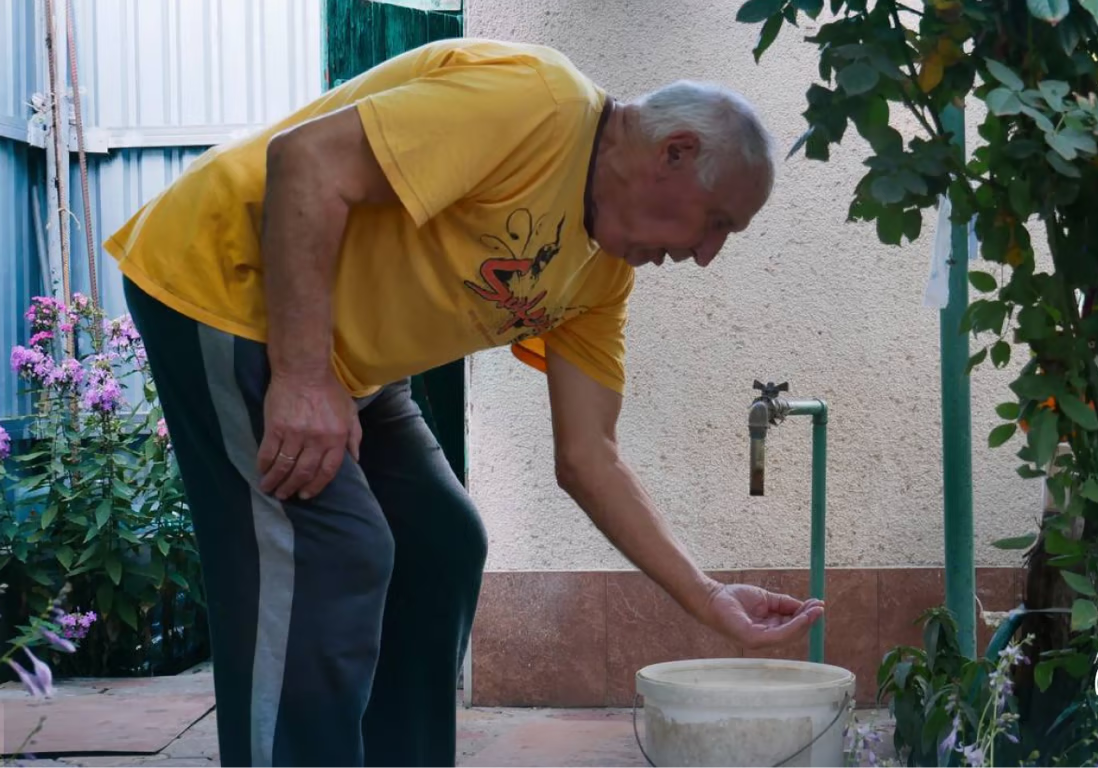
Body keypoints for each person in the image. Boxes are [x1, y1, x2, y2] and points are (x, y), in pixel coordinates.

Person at [105, 38, 824, 768]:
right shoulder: (537, 108)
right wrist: (300, 375)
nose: (706, 255)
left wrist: (706, 599)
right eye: (717, 222)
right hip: (229, 287)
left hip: (346, 361)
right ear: (673, 151)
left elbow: (589, 456)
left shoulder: (601, 275)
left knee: (439, 541)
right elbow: (308, 160)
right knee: (334, 550)